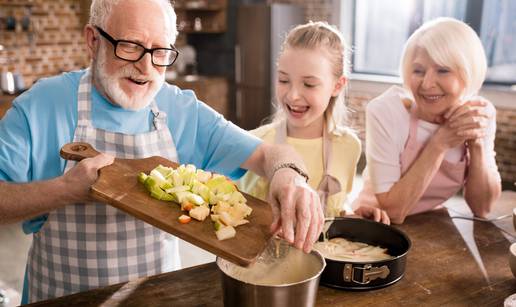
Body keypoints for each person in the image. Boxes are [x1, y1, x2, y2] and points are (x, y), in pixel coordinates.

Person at [0, 0, 324, 303]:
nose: (145, 67)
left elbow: (271, 154)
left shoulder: (181, 110)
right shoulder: (40, 106)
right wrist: (63, 191)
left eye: (159, 51)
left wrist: (290, 177)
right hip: (63, 297)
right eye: (129, 46)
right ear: (93, 40)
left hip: (159, 298)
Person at [237, 21, 390, 224]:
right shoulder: (256, 143)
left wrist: (353, 217)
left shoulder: (348, 146)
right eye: (284, 80)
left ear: (337, 86)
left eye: (309, 84)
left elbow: (335, 209)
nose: (293, 96)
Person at [354, 17, 501, 224]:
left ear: (468, 71)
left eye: (443, 70)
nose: (427, 83)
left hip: (432, 224)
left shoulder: (479, 114)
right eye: (418, 71)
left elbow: (483, 208)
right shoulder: (386, 111)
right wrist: (440, 142)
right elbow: (394, 212)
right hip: (376, 224)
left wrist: (475, 143)